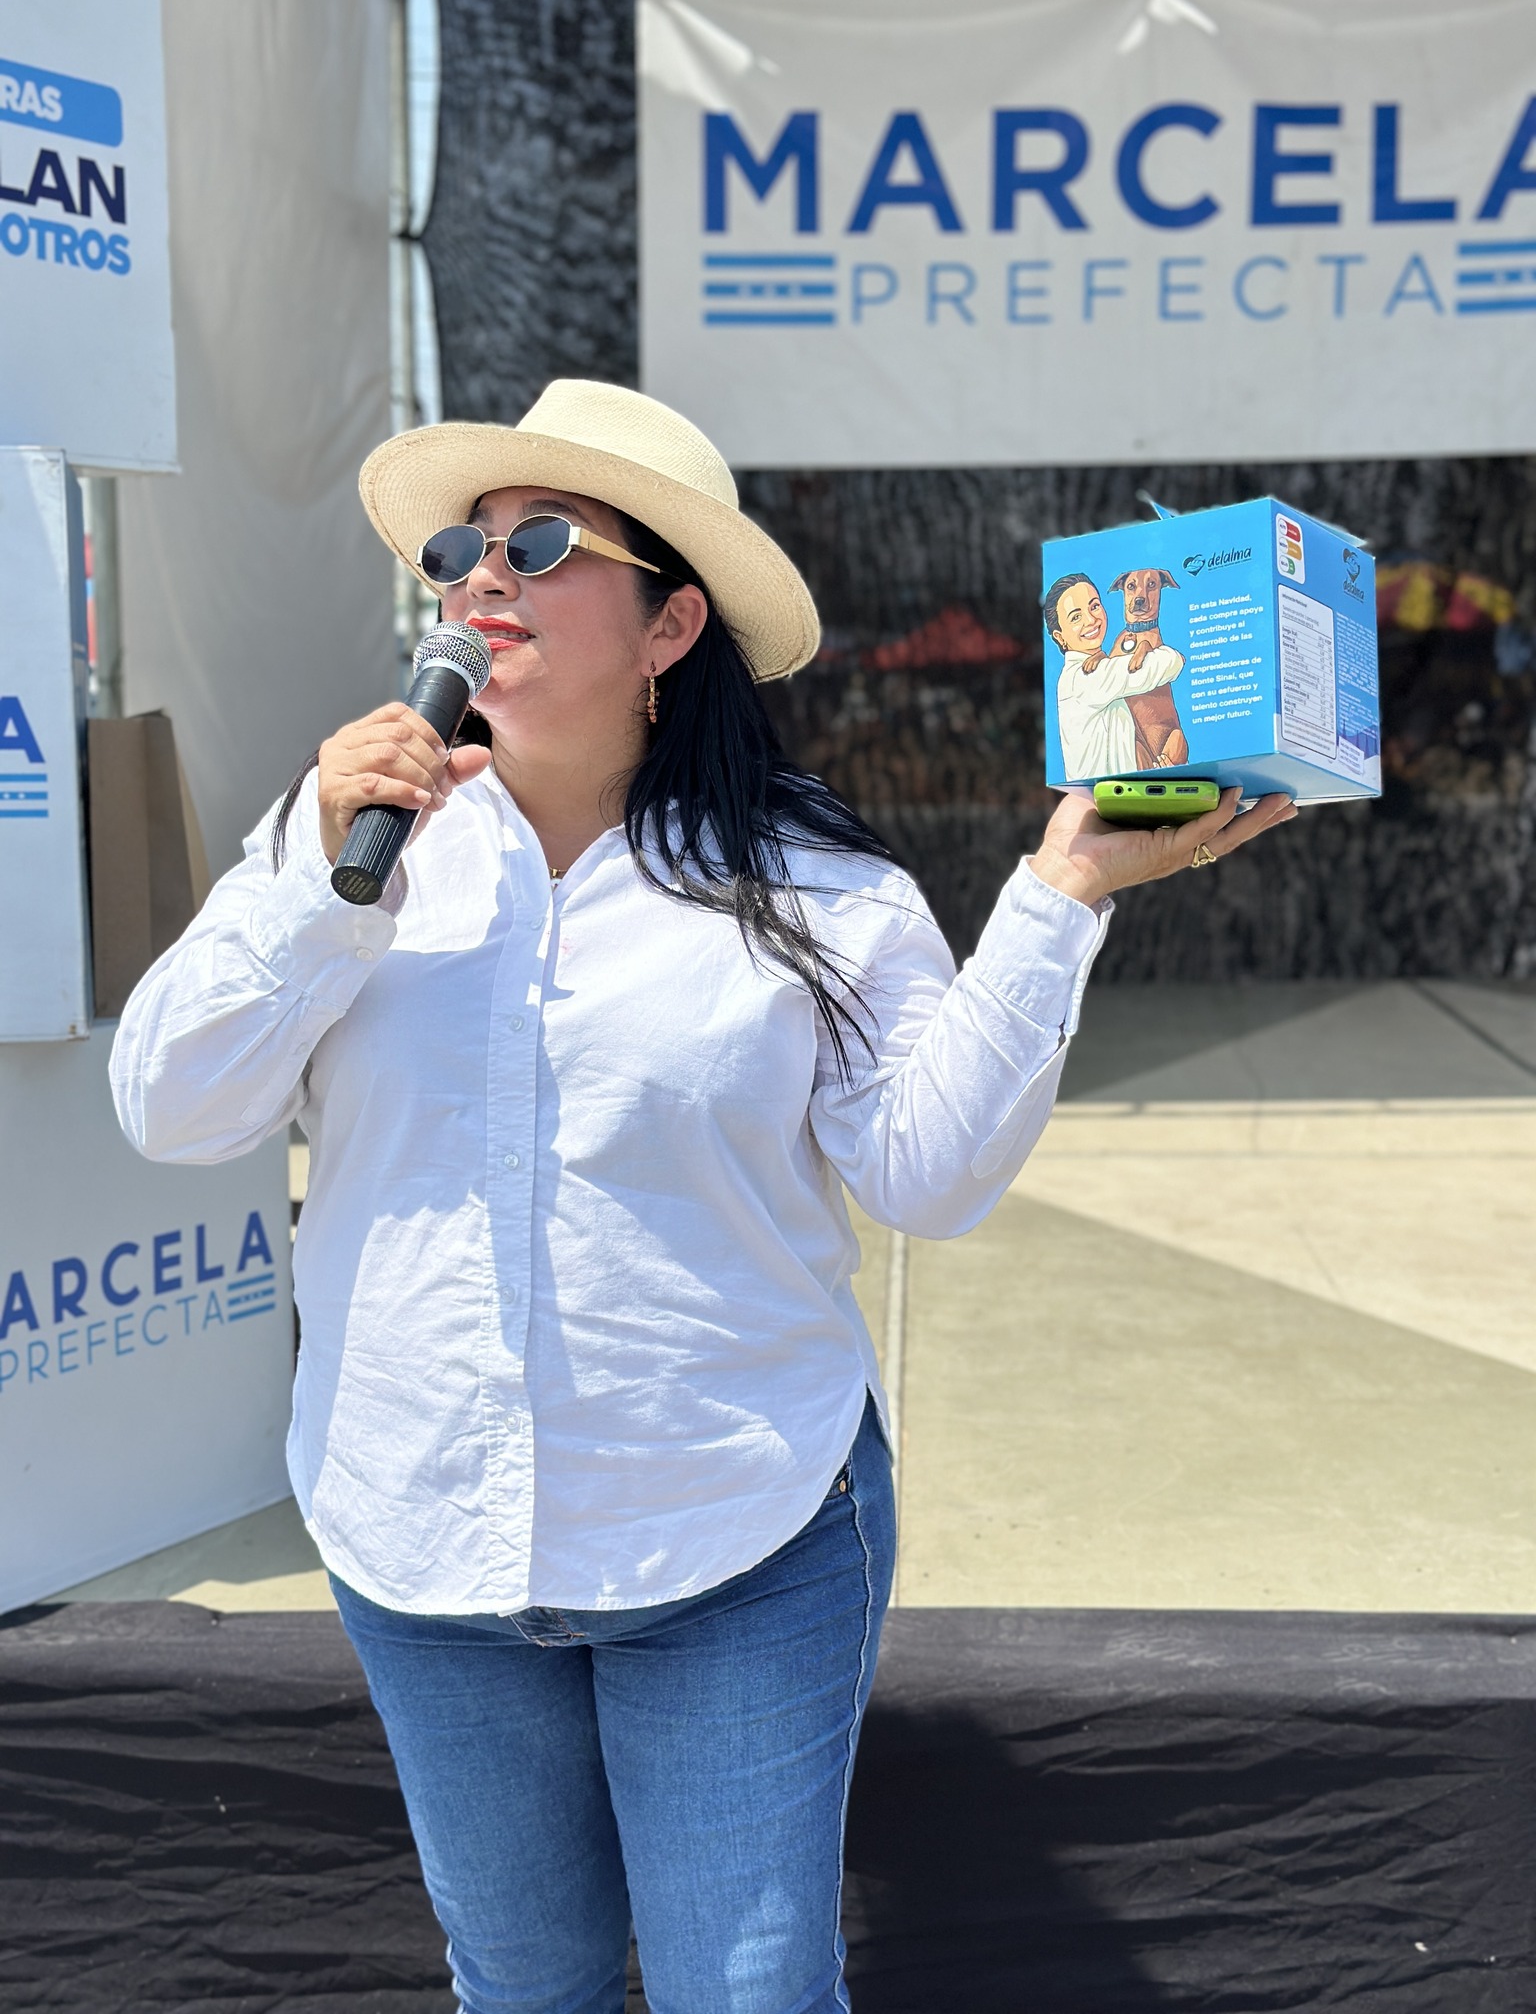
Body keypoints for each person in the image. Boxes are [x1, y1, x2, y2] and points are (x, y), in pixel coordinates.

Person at [110, 381, 1295, 2014]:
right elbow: (172, 1108)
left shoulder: (814, 884)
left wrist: (1065, 892)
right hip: (424, 1542)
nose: (482, 577)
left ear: (672, 624)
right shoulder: (345, 841)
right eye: (459, 549)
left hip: (738, 1535)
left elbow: (928, 1173)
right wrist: (317, 886)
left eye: (540, 543)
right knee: (523, 1989)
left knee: (751, 1994)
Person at [1046, 571, 1186, 779]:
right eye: (1076, 617)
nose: (1090, 619)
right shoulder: (1082, 678)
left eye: (1094, 606)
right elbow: (1174, 661)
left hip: (1156, 754)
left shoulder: (1102, 666)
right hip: (1113, 790)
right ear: (1060, 637)